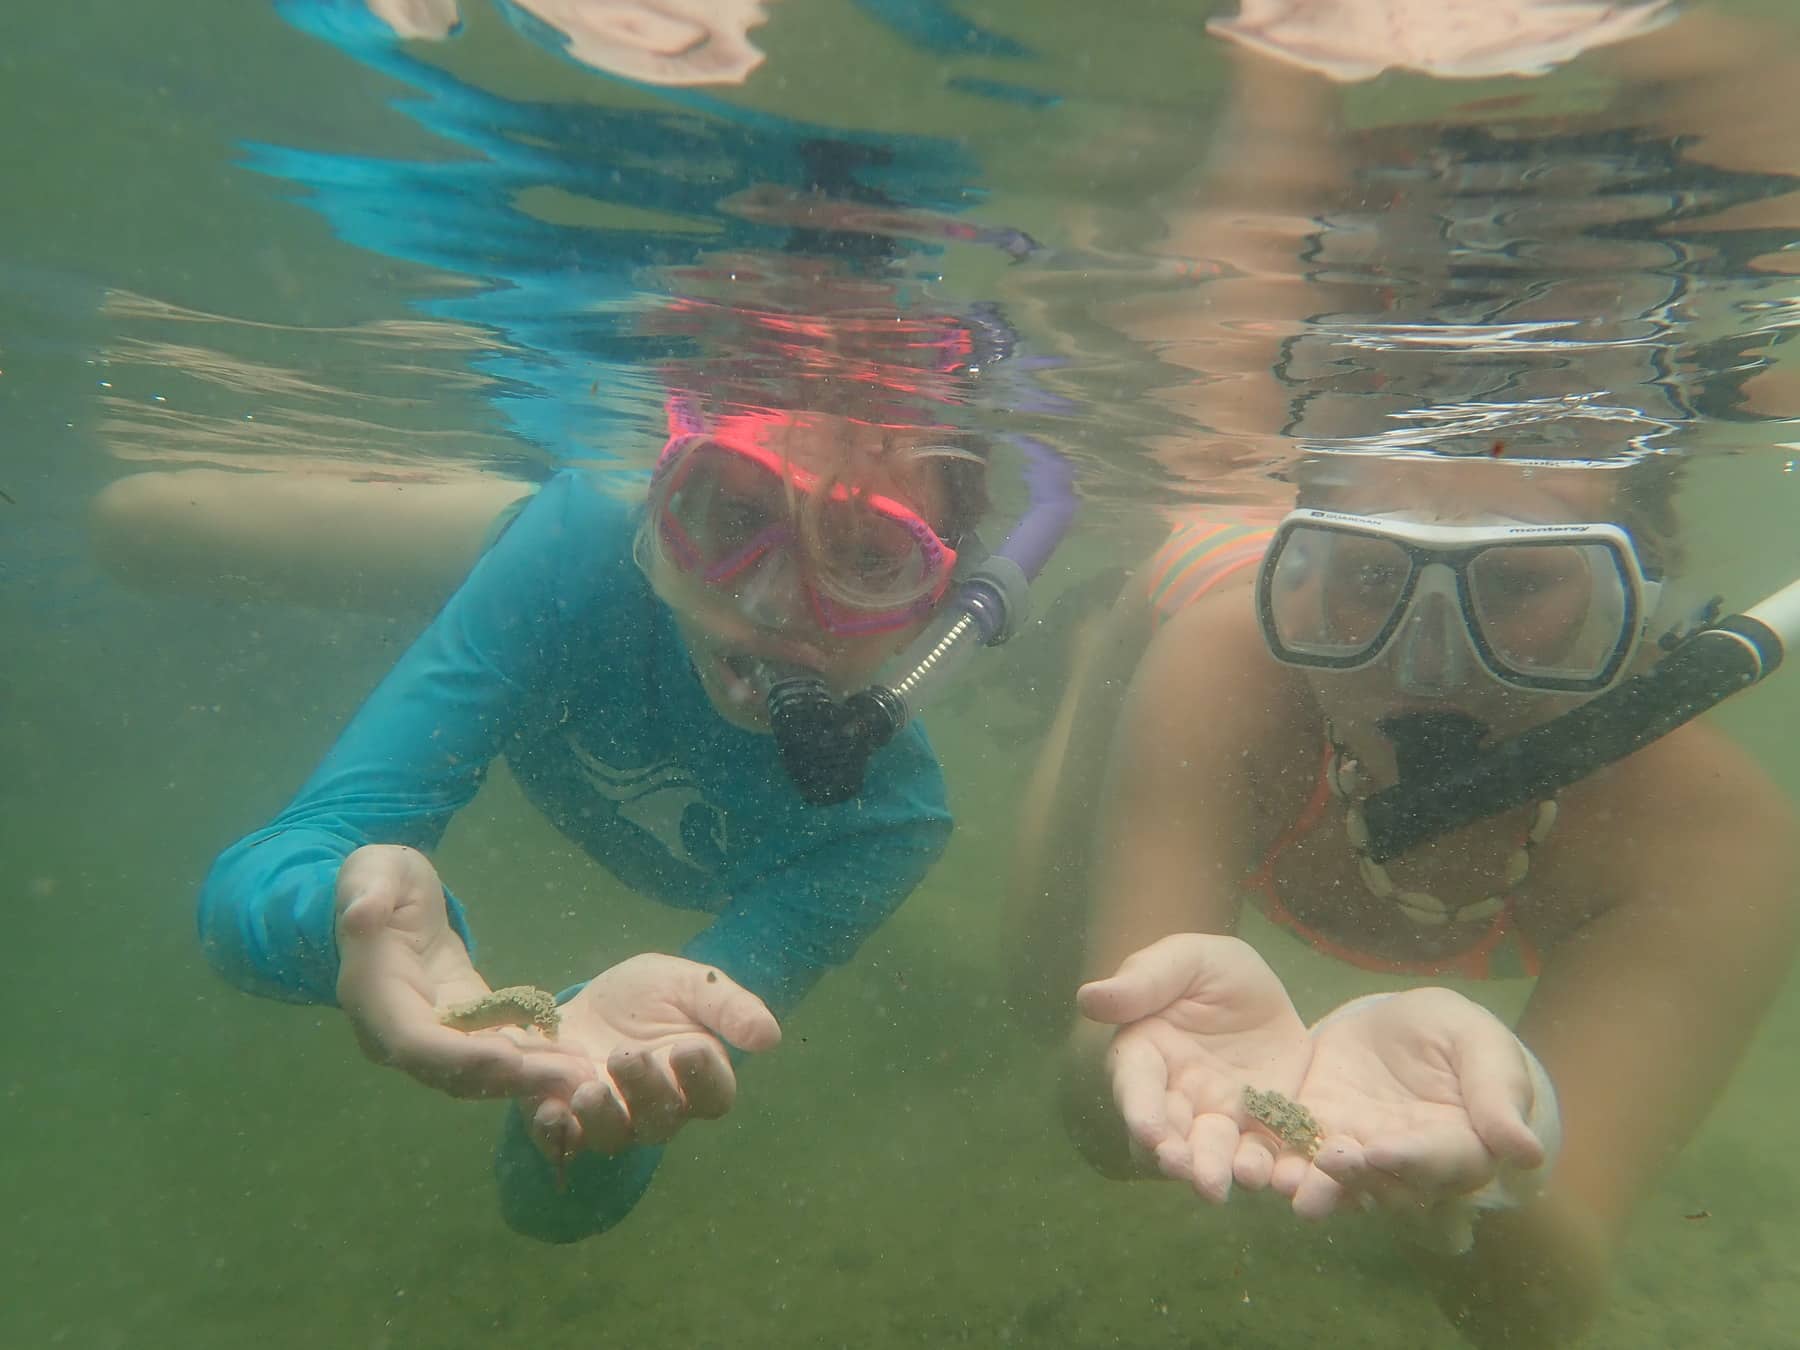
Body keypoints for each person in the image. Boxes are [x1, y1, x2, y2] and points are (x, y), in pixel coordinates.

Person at [196, 365, 994, 1242]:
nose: (767, 603)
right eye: (732, 516)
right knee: (141, 520)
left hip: (564, 573)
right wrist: (340, 916)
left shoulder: (883, 824)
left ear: (936, 615)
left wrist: (585, 1108)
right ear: (662, 501)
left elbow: (553, 1208)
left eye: (869, 559)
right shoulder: (574, 553)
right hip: (525, 547)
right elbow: (275, 862)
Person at [1031, 447, 1798, 1346]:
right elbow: (1100, 1121)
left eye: (1516, 586)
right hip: (1191, 591)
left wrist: (1501, 1163)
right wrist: (1122, 1052)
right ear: (1310, 569)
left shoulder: (1715, 838)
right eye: (1366, 572)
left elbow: (1532, 1313)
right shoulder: (1222, 668)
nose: (1429, 665)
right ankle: (1098, 648)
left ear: (1635, 590)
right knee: (1035, 986)